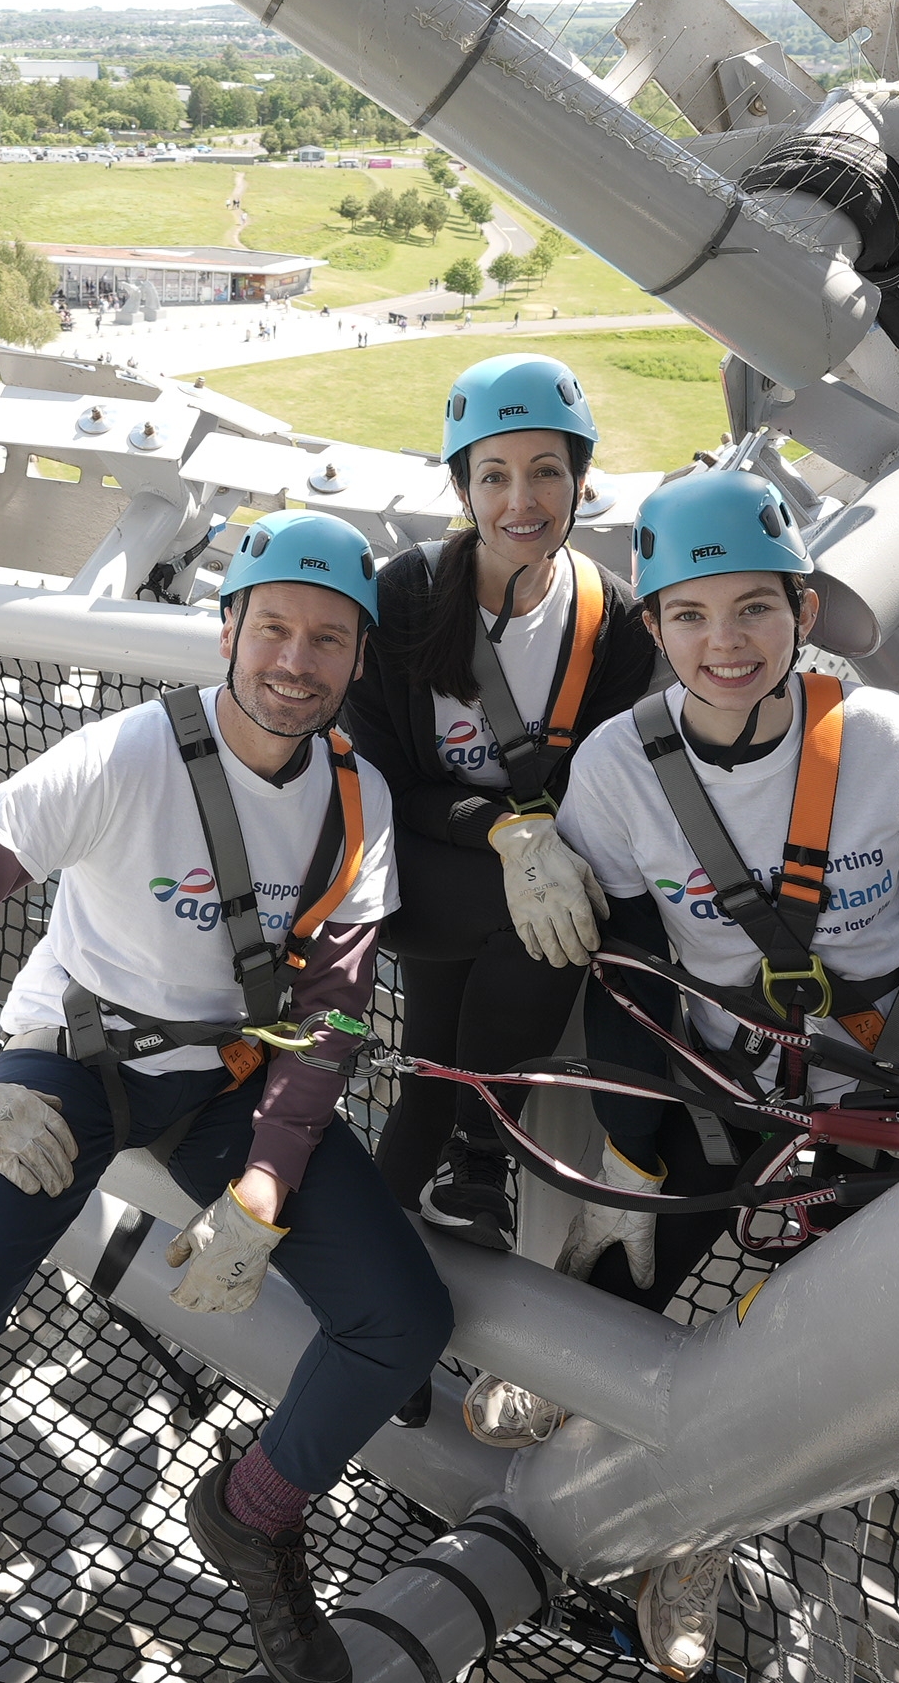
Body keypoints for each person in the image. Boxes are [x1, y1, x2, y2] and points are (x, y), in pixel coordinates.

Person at [0, 509, 451, 1683]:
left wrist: (266, 1176)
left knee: (404, 1319)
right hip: (73, 1061)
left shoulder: (356, 804)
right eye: (273, 628)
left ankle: (253, 1511)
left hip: (228, 1074)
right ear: (228, 630)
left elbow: (334, 1013)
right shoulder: (130, 754)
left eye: (327, 639)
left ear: (358, 657)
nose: (295, 662)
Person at [545, 466, 899, 1312]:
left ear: (804, 613)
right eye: (689, 615)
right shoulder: (618, 770)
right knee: (613, 1296)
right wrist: (632, 1149)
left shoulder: (883, 739)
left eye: (755, 608)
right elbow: (632, 972)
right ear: (653, 626)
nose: (725, 644)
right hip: (741, 1087)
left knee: (876, 1312)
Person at [340, 357, 663, 1251]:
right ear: (462, 488)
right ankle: (483, 1152)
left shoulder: (615, 626)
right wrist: (503, 831)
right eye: (494, 476)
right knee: (561, 915)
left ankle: (373, 1293)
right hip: (417, 867)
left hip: (528, 874)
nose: (522, 499)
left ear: (581, 481)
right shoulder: (402, 600)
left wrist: (530, 844)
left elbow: (607, 781)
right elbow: (382, 785)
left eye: (547, 471)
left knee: (433, 1071)